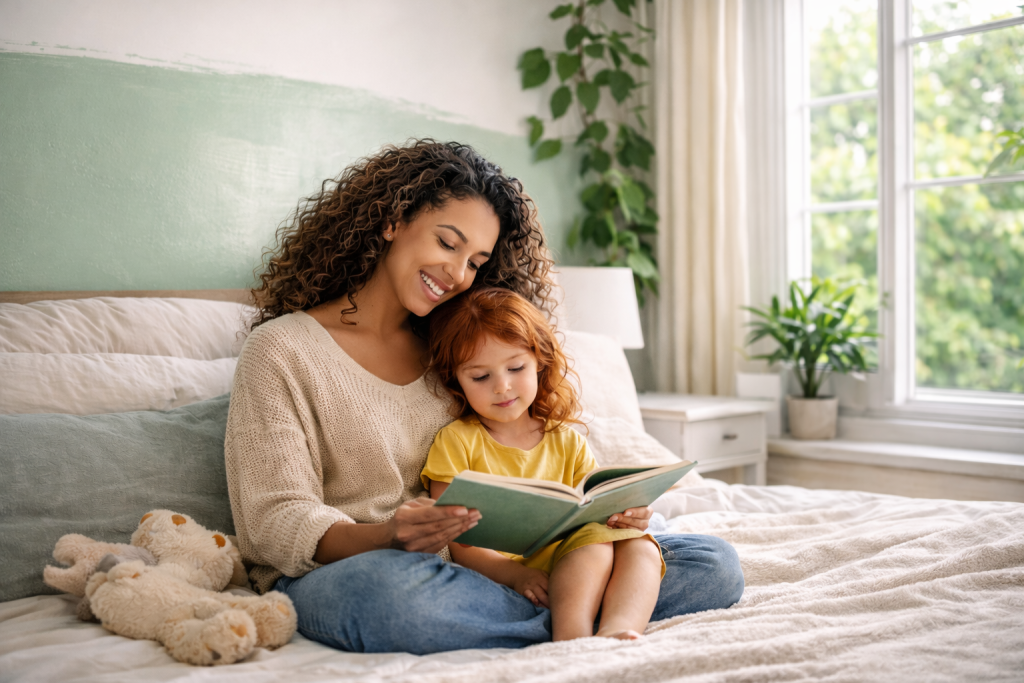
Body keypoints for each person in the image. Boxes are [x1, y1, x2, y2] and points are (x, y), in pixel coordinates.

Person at [224, 139, 744, 655]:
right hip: (361, 567)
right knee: (389, 597)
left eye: (475, 262)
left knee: (713, 564)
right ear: (392, 221)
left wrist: (609, 518)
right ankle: (580, 610)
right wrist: (387, 536)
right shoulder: (281, 350)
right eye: (447, 243)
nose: (457, 275)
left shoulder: (458, 351)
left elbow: (534, 451)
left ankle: (569, 608)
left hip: (499, 564)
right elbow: (272, 520)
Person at [422, 287, 666, 641]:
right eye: (480, 377)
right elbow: (457, 540)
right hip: (502, 576)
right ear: (455, 379)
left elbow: (595, 510)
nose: (502, 387)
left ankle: (618, 631)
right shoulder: (456, 441)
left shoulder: (566, 440)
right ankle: (572, 637)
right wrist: (515, 575)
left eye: (515, 368)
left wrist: (628, 514)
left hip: (581, 563)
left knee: (642, 544)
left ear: (540, 361)